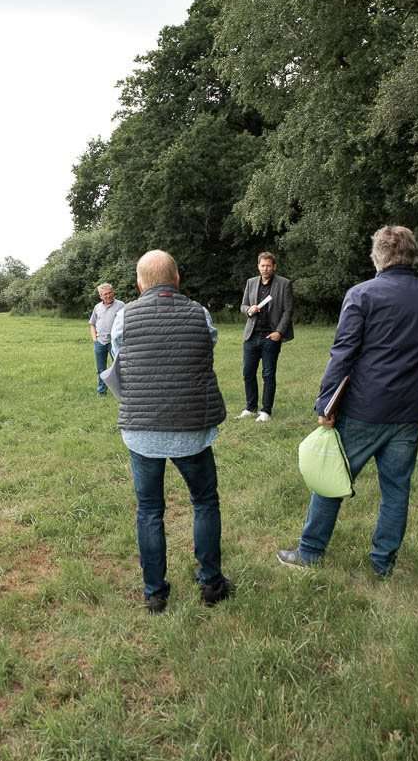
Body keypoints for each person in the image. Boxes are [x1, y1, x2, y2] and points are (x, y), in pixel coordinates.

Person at [277, 226, 418, 576]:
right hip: (407, 409)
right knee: (396, 490)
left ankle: (310, 553)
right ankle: (382, 565)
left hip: (363, 407)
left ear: (378, 256)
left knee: (331, 477)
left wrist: (326, 402)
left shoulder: (362, 294)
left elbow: (343, 351)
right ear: (412, 255)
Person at [110, 250, 231, 613]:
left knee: (149, 509)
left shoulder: (123, 317)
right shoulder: (201, 313)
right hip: (192, 428)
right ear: (176, 279)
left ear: (139, 284)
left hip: (142, 429)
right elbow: (206, 346)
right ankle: (211, 583)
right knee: (205, 502)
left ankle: (155, 593)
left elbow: (119, 357)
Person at [237, 252, 294, 422]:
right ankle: (250, 407)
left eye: (269, 265)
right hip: (251, 335)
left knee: (268, 374)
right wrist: (249, 310)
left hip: (271, 335)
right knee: (248, 373)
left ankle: (266, 411)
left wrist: (279, 332)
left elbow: (288, 310)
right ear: (258, 266)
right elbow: (242, 305)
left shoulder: (284, 284)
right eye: (262, 265)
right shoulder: (251, 282)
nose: (265, 269)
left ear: (274, 266)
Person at [89, 283, 124, 396]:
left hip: (116, 342)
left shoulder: (121, 305)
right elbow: (92, 324)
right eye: (105, 294)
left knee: (119, 367)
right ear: (100, 296)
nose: (108, 296)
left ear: (113, 292)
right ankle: (101, 391)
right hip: (100, 342)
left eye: (110, 293)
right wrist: (95, 339)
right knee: (101, 369)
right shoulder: (97, 307)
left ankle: (122, 391)